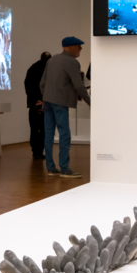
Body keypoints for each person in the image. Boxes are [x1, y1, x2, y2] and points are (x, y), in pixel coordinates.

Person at [40, 37, 90, 178]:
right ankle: (65, 169)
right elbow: (79, 85)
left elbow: (42, 83)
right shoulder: (72, 62)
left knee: (49, 134)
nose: (81, 49)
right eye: (79, 46)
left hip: (48, 101)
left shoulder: (52, 60)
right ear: (72, 47)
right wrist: (90, 102)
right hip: (60, 102)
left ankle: (50, 168)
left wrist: (46, 97)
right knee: (65, 134)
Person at [24, 52, 51, 160]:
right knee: (43, 129)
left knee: (34, 128)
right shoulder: (49, 69)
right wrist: (43, 100)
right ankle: (39, 151)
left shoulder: (32, 68)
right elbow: (48, 86)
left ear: (40, 57)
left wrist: (34, 100)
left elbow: (27, 85)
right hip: (45, 104)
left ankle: (35, 150)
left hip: (33, 104)